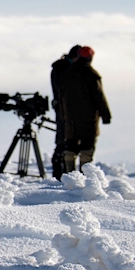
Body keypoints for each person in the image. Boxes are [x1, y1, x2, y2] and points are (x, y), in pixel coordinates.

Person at [60, 45, 111, 173]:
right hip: (89, 119)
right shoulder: (91, 75)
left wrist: (63, 115)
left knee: (70, 148)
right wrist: (105, 115)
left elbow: (61, 97)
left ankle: (69, 175)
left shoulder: (67, 74)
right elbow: (99, 97)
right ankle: (84, 177)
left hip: (70, 118)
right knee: (86, 149)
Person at [49, 45, 81, 180]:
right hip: (64, 110)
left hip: (64, 109)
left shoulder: (60, 67)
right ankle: (59, 174)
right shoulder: (62, 69)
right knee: (63, 140)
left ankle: (62, 173)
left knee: (64, 140)